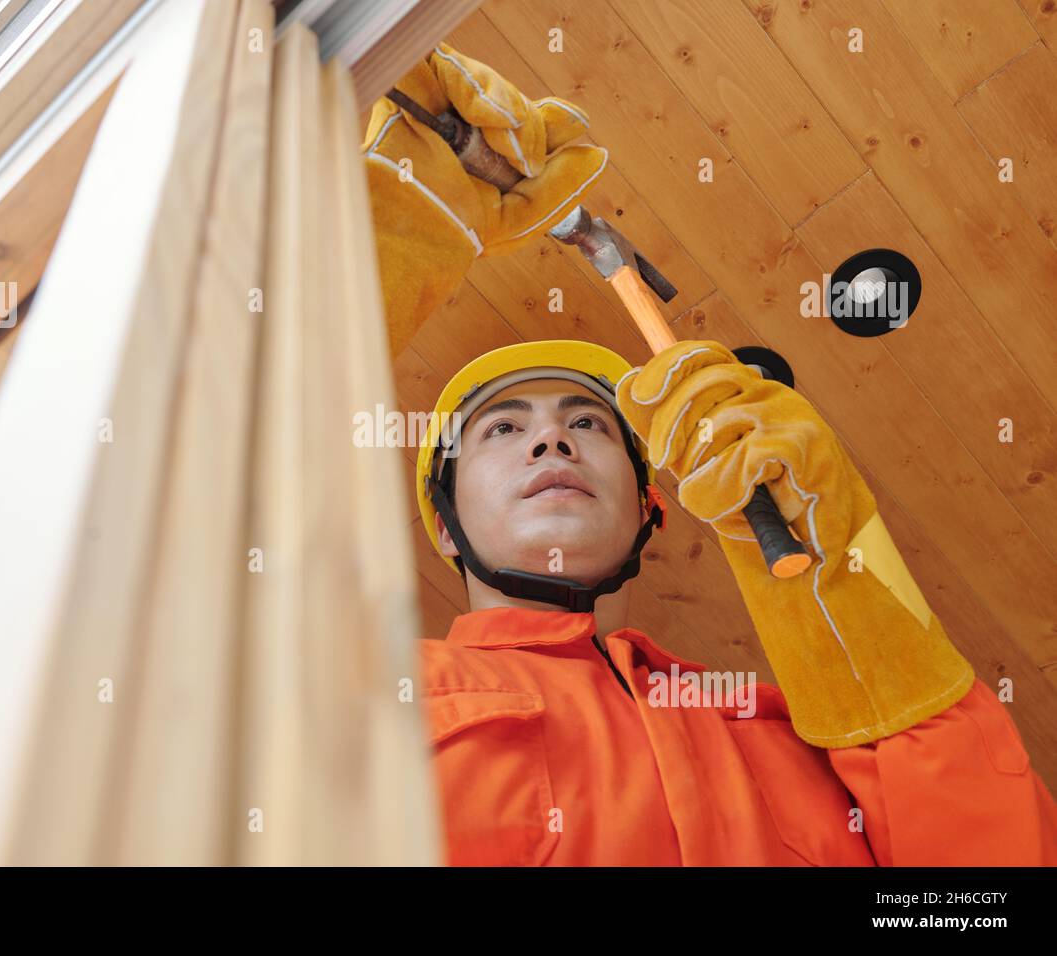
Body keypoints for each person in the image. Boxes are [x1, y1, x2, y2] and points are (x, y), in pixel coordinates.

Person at [365, 45, 1057, 866]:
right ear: (443, 529)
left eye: (589, 425)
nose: (551, 437)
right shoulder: (366, 703)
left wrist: (854, 614)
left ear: (654, 504)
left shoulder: (798, 745)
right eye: (503, 430)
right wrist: (385, 241)